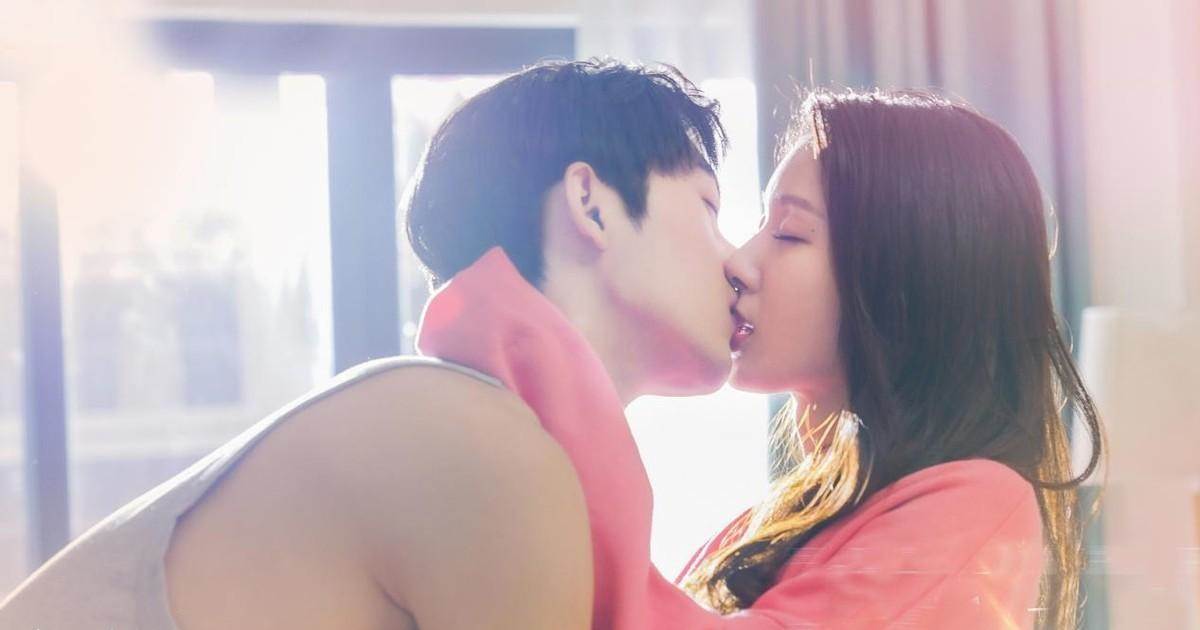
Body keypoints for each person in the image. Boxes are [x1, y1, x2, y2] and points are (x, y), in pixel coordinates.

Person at [0, 58, 738, 629]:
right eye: (709, 208)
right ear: (591, 205)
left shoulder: (462, 417)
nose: (736, 261)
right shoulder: (481, 444)